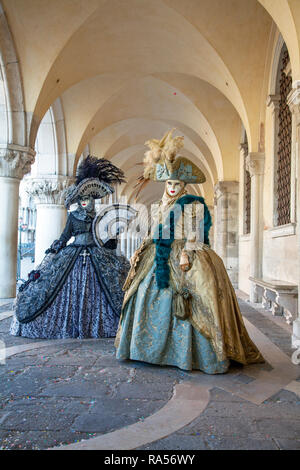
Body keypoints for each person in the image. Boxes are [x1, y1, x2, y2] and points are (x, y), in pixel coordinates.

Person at [115, 130, 264, 373]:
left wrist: (187, 251)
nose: (173, 188)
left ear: (184, 185)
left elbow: (195, 232)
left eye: (178, 184)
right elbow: (154, 232)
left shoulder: (193, 204)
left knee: (198, 295)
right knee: (143, 293)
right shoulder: (158, 206)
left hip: (186, 253)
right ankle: (147, 349)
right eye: (170, 183)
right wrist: (141, 250)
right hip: (158, 256)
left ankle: (197, 354)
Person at [11, 156, 130, 339]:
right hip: (72, 254)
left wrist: (112, 239)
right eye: (82, 199)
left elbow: (103, 239)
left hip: (95, 255)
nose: (85, 202)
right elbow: (65, 235)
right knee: (54, 287)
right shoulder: (73, 217)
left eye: (88, 199)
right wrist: (57, 247)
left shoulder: (99, 218)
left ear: (93, 199)